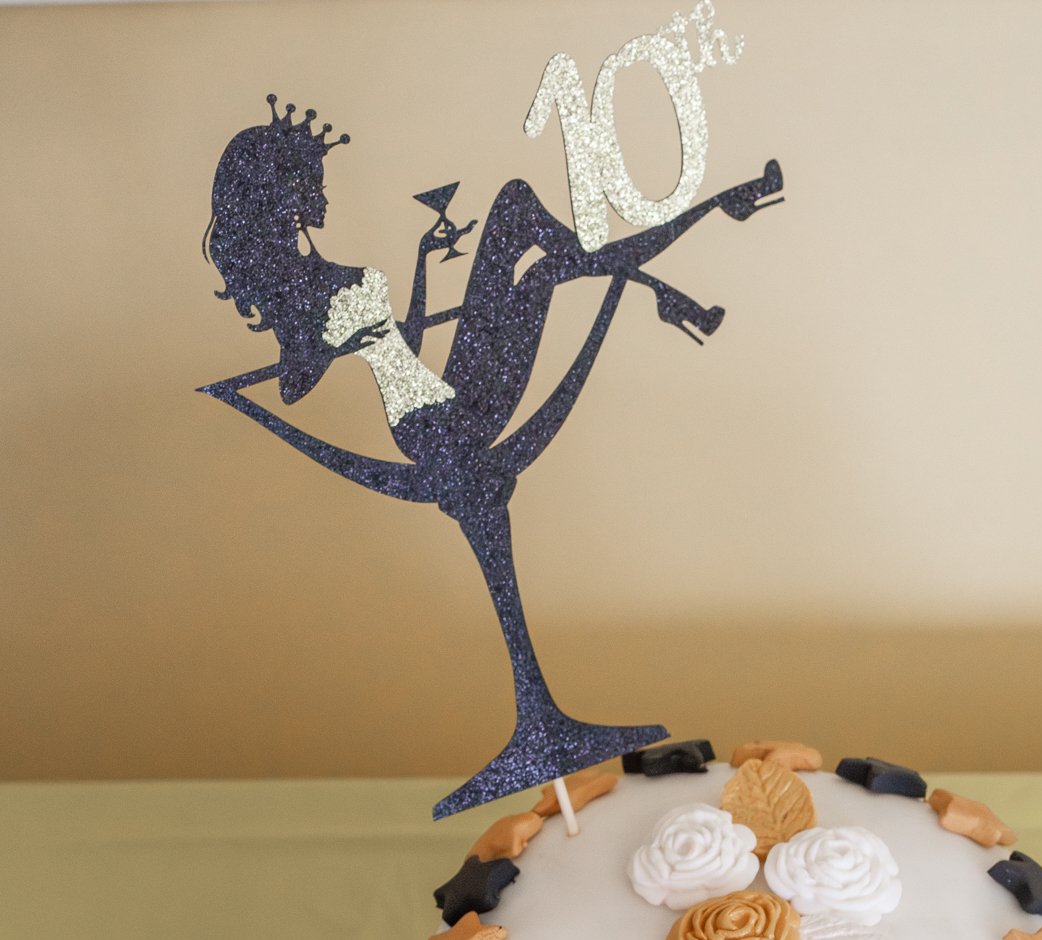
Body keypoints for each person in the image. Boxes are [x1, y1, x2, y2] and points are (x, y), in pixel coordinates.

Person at [201, 96, 783, 813]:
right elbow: (295, 381)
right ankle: (669, 247)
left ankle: (653, 254)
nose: (320, 194)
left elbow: (403, 339)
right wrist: (331, 347)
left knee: (528, 239)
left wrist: (415, 269)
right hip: (435, 428)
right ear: (281, 193)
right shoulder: (299, 289)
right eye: (310, 182)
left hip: (446, 396)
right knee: (535, 248)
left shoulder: (324, 272)